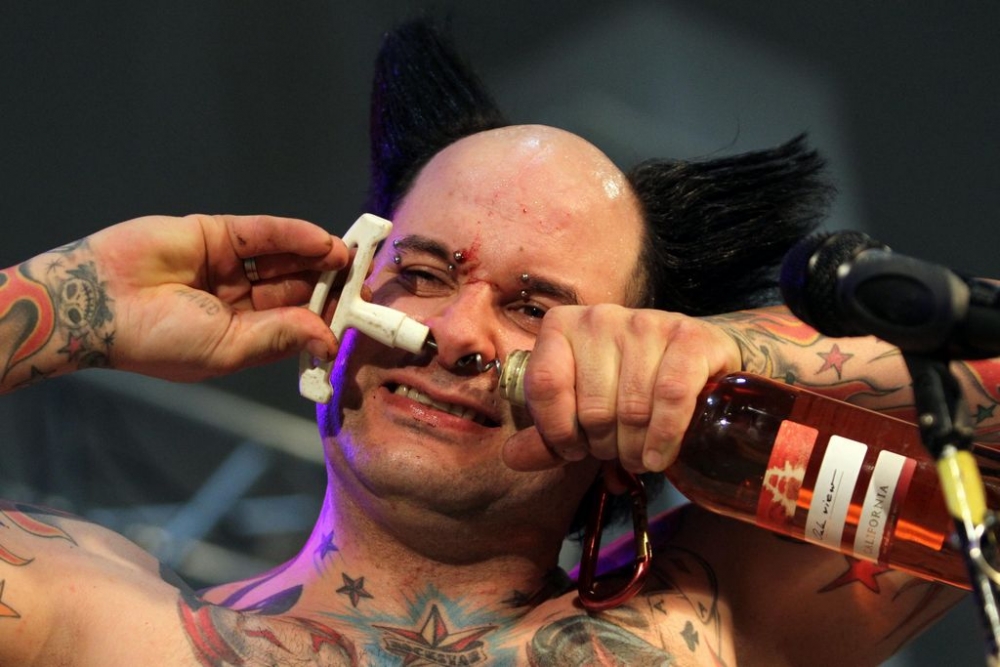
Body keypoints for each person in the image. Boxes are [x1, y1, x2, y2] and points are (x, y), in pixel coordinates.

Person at [1, 19, 997, 667]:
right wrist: (73, 300)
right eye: (423, 274)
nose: (454, 332)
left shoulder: (725, 622)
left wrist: (732, 359)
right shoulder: (111, 624)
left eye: (534, 307)